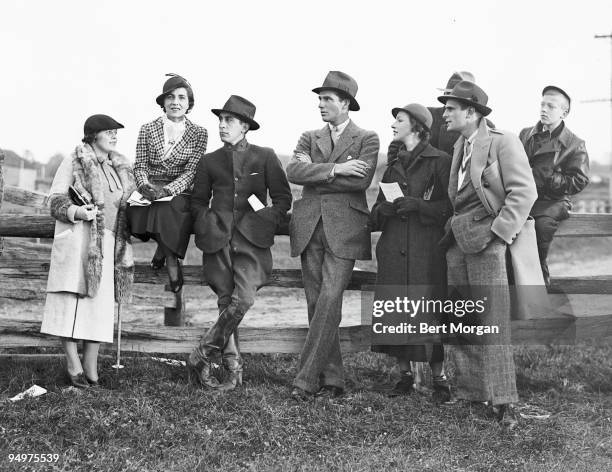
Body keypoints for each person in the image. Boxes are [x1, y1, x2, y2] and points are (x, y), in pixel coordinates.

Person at [438, 81, 537, 428]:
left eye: (450, 108)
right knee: (461, 317)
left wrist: (498, 235)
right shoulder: (458, 146)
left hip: (487, 244)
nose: (445, 113)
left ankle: (503, 400)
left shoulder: (502, 141)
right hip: (457, 245)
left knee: (493, 322)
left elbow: (524, 193)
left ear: (472, 111)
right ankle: (469, 391)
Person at [187, 95, 292, 390]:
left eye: (228, 120)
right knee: (225, 300)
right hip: (217, 240)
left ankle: (203, 353)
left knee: (243, 299)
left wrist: (266, 217)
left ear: (245, 126)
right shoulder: (209, 161)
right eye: (220, 120)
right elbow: (197, 201)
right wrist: (208, 221)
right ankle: (233, 370)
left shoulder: (266, 156)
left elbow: (283, 199)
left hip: (253, 242)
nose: (222, 125)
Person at [287, 71, 380, 399]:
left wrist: (317, 174)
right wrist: (337, 169)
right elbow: (294, 171)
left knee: (329, 298)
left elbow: (361, 181)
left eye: (328, 99)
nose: (321, 104)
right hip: (309, 225)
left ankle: (305, 379)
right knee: (317, 302)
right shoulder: (308, 136)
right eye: (320, 98)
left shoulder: (368, 138)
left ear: (346, 104)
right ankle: (334, 380)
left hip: (345, 230)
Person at [40, 114, 135, 388]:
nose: (115, 135)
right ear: (93, 135)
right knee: (71, 304)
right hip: (80, 240)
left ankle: (91, 371)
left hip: (109, 244)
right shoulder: (74, 161)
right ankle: (73, 365)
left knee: (99, 309)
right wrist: (77, 211)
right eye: (109, 131)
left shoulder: (120, 168)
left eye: (116, 131)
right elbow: (55, 201)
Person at [369, 104, 452, 401]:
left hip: (425, 251)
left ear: (416, 126)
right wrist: (384, 209)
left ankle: (440, 379)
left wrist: (420, 206)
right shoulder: (393, 166)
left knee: (429, 313)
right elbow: (375, 212)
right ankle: (405, 376)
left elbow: (449, 208)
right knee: (396, 312)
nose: (393, 124)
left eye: (399, 120)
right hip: (393, 249)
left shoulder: (440, 161)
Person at [128, 73, 208, 293]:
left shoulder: (199, 133)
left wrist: (168, 190)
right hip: (150, 187)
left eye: (182, 98)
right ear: (163, 102)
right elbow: (140, 165)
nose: (176, 102)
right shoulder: (147, 129)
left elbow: (191, 171)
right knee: (134, 211)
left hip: (179, 191)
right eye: (170, 97)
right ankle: (164, 249)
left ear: (189, 103)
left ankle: (170, 258)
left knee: (167, 209)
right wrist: (145, 185)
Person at [519, 85, 589, 286]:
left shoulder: (575, 143)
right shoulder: (525, 135)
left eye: (551, 106)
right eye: (542, 104)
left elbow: (580, 180)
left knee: (540, 228)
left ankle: (540, 284)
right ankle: (522, 290)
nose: (544, 109)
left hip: (554, 201)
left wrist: (551, 179)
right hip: (525, 198)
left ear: (564, 112)